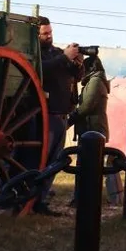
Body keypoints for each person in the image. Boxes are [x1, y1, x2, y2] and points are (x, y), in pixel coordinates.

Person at [32, 17, 82, 215]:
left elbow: (76, 77)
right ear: (36, 35)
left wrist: (77, 64)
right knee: (41, 160)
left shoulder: (57, 53)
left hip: (62, 115)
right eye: (45, 33)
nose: (49, 36)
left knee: (53, 162)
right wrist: (64, 58)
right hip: (46, 115)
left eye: (50, 32)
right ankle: (31, 200)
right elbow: (42, 70)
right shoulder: (36, 54)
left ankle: (41, 200)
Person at [69, 47, 110, 209]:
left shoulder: (95, 82)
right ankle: (81, 199)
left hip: (92, 130)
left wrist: (69, 120)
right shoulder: (94, 81)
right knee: (85, 167)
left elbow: (86, 107)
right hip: (89, 129)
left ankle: (86, 201)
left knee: (88, 168)